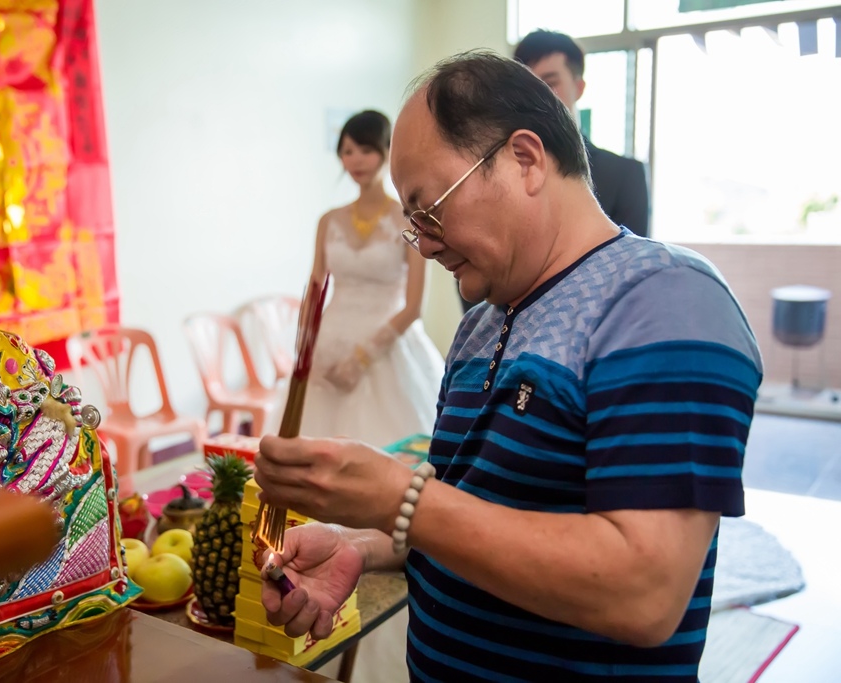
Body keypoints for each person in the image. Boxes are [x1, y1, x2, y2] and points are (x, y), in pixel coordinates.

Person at [254, 51, 762, 683]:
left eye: (429, 209)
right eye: (414, 225)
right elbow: (470, 512)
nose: (427, 243)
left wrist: (397, 497)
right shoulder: (480, 323)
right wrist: (361, 545)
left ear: (524, 159)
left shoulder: (663, 302)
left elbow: (645, 593)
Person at [459, 29, 650, 313]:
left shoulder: (624, 173)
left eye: (550, 83)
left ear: (579, 86)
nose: (537, 96)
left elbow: (632, 271)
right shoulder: (489, 173)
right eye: (527, 85)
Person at [295, 109, 443, 448]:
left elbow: (413, 307)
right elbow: (315, 289)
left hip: (386, 350)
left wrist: (362, 358)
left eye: (366, 149)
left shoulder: (410, 220)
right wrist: (304, 345)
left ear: (388, 150)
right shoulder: (328, 221)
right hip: (328, 346)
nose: (356, 160)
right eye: (347, 151)